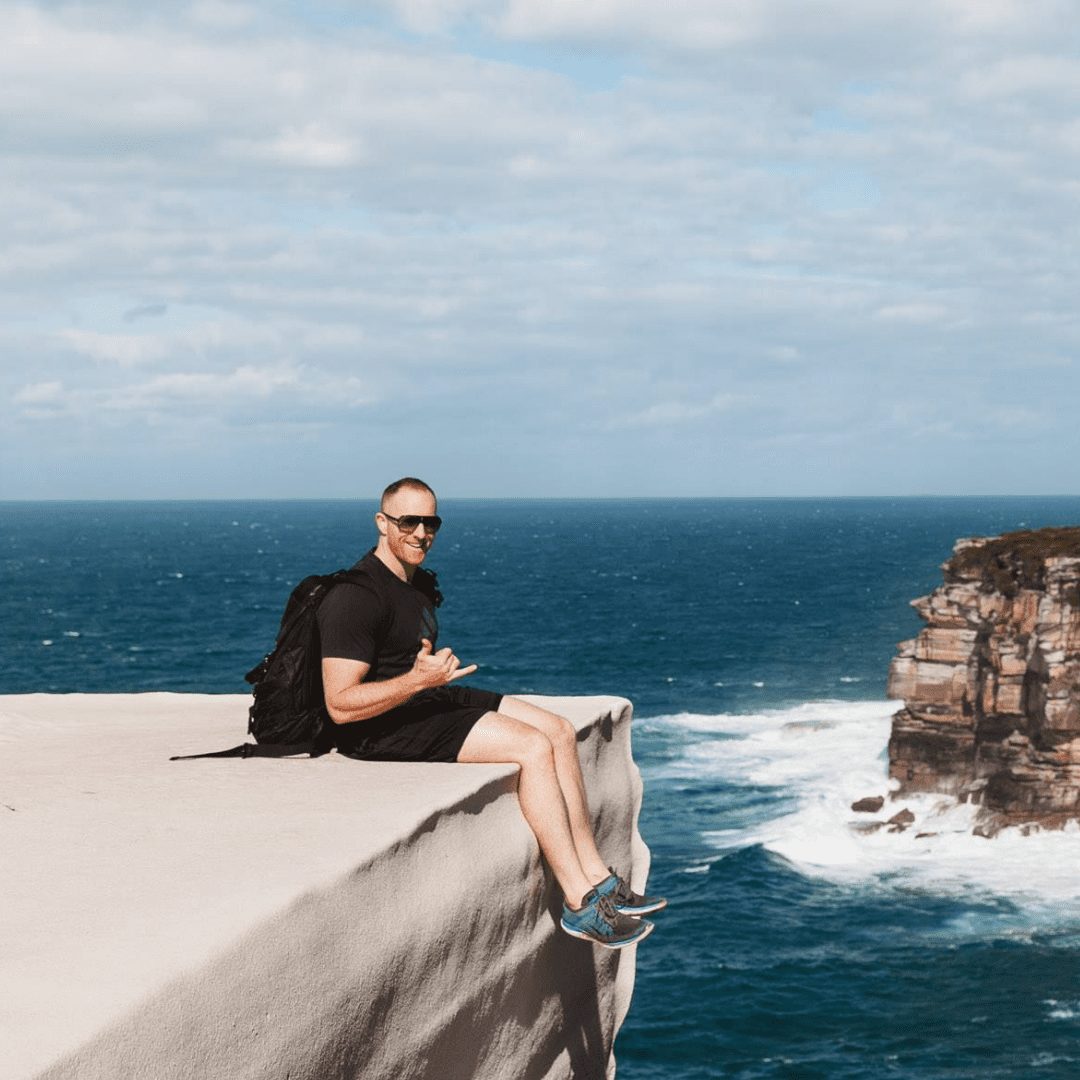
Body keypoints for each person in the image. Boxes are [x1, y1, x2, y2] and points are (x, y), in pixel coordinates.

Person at [318, 477, 665, 949]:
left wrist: (426, 678)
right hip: (377, 730)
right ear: (382, 523)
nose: (421, 533)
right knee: (532, 746)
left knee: (559, 730)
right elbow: (340, 705)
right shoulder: (355, 596)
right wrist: (418, 681)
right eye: (408, 522)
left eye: (431, 522)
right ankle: (581, 904)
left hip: (420, 697)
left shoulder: (414, 584)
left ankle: (600, 878)